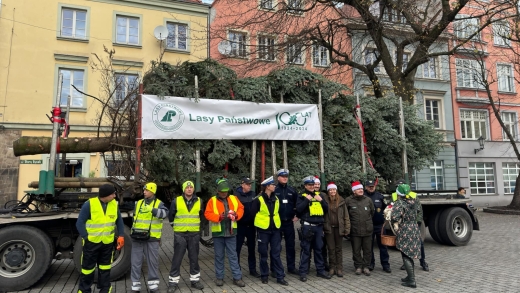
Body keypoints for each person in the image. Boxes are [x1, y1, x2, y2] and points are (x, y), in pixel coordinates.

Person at [76, 184, 125, 293]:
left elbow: (119, 221)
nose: (114, 196)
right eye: (112, 194)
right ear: (105, 195)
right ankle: (84, 290)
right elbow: (79, 223)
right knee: (87, 269)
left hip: (107, 243)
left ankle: (105, 288)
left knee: (105, 267)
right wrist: (86, 237)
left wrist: (121, 235)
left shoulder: (114, 204)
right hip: (91, 243)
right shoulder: (89, 204)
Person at [204, 178, 246, 287]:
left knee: (233, 256)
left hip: (231, 233)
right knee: (219, 256)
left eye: (225, 191)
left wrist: (237, 215)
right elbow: (207, 214)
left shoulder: (234, 198)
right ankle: (219, 278)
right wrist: (218, 217)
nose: (224, 193)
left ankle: (237, 278)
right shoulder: (212, 200)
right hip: (218, 234)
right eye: (222, 191)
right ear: (217, 190)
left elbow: (241, 208)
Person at [131, 182, 169, 293]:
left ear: (152, 191)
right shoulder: (138, 203)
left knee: (152, 262)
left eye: (146, 190)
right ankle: (135, 286)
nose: (144, 192)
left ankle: (153, 286)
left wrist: (152, 210)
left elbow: (165, 214)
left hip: (151, 238)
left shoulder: (159, 203)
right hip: (137, 237)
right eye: (144, 190)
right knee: (135, 262)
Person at [167, 181, 205, 293]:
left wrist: (199, 230)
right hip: (180, 234)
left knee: (194, 259)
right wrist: (176, 228)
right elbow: (171, 217)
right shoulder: (176, 201)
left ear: (193, 189)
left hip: (194, 234)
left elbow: (202, 217)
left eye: (191, 187)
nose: (189, 189)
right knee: (177, 259)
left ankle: (195, 281)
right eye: (187, 187)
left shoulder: (199, 201)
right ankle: (173, 283)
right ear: (184, 189)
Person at [251, 176, 289, 286]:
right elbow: (253, 214)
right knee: (263, 254)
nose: (274, 186)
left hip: (275, 230)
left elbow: (278, 213)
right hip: (263, 230)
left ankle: (280, 276)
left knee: (276, 253)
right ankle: (264, 275)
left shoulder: (276, 199)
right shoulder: (258, 200)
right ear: (267, 186)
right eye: (273, 185)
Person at [296, 176, 331, 282]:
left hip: (319, 227)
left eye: (313, 185)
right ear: (305, 186)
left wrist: (322, 202)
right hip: (307, 227)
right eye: (309, 185)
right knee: (306, 250)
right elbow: (298, 210)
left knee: (319, 249)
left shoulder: (319, 195)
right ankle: (303, 272)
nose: (312, 187)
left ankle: (320, 271)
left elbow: (326, 209)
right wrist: (306, 200)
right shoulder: (301, 196)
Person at [392, 179, 429, 272]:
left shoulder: (413, 195)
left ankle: (423, 262)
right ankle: (406, 263)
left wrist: (418, 222)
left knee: (419, 243)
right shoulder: (394, 195)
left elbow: (419, 210)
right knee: (403, 245)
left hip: (413, 224)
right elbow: (393, 208)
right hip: (402, 225)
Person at [391, 184, 421, 288]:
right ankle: (409, 276)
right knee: (410, 253)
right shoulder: (413, 201)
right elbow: (417, 212)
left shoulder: (399, 203)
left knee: (405, 254)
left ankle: (412, 280)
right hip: (414, 228)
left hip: (405, 229)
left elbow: (394, 217)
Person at [345, 181, 374, 276]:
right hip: (355, 230)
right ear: (354, 191)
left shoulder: (368, 200)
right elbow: (346, 215)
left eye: (361, 189)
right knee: (356, 250)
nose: (361, 190)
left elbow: (372, 212)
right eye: (358, 189)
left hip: (367, 229)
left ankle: (366, 267)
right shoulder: (348, 200)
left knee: (367, 250)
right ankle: (358, 266)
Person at [273, 168, 299, 275]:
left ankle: (291, 267)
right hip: (277, 222)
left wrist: (297, 215)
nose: (285, 178)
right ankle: (274, 269)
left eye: (286, 177)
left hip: (289, 222)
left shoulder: (292, 190)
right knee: (276, 247)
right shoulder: (274, 190)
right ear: (278, 178)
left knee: (290, 246)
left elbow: (297, 204)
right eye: (283, 177)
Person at [323, 182, 350, 277]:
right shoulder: (325, 201)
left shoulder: (342, 201)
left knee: (338, 249)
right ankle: (332, 268)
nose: (332, 191)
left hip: (339, 228)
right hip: (329, 228)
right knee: (331, 249)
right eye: (330, 190)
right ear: (328, 191)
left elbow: (346, 216)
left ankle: (339, 268)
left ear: (336, 190)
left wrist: (347, 228)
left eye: (334, 190)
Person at [235, 177, 260, 277]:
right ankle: (237, 271)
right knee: (237, 249)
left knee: (252, 249)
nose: (249, 186)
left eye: (250, 184)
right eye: (247, 184)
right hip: (240, 225)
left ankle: (252, 270)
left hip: (251, 226)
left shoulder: (253, 194)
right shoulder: (236, 196)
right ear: (242, 185)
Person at [364, 180, 391, 273]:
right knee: (369, 247)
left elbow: (386, 208)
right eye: (369, 186)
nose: (371, 188)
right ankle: (371, 264)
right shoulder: (363, 196)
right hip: (368, 225)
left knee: (383, 246)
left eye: (372, 186)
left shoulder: (380, 196)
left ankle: (385, 265)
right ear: (366, 187)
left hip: (380, 226)